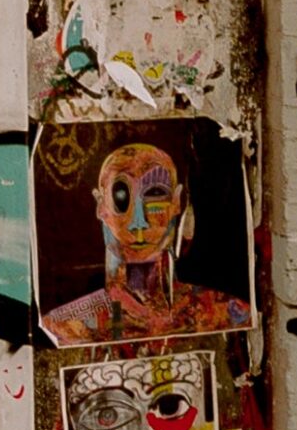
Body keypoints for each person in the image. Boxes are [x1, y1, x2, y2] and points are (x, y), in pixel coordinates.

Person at [42, 140, 249, 343]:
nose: (138, 222)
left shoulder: (225, 313)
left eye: (155, 194)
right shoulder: (64, 328)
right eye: (120, 198)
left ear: (176, 201)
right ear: (101, 206)